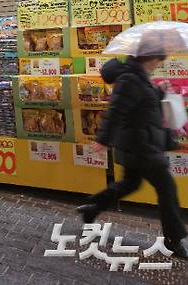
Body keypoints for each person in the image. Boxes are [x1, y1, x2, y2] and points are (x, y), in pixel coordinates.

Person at [77, 48, 188, 259]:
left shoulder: (138, 76)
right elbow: (116, 110)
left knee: (130, 184)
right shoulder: (130, 78)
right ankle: (173, 240)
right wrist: (102, 140)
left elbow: (142, 100)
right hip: (141, 146)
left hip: (137, 144)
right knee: (168, 189)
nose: (158, 64)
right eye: (157, 59)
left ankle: (93, 207)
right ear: (147, 57)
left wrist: (159, 91)